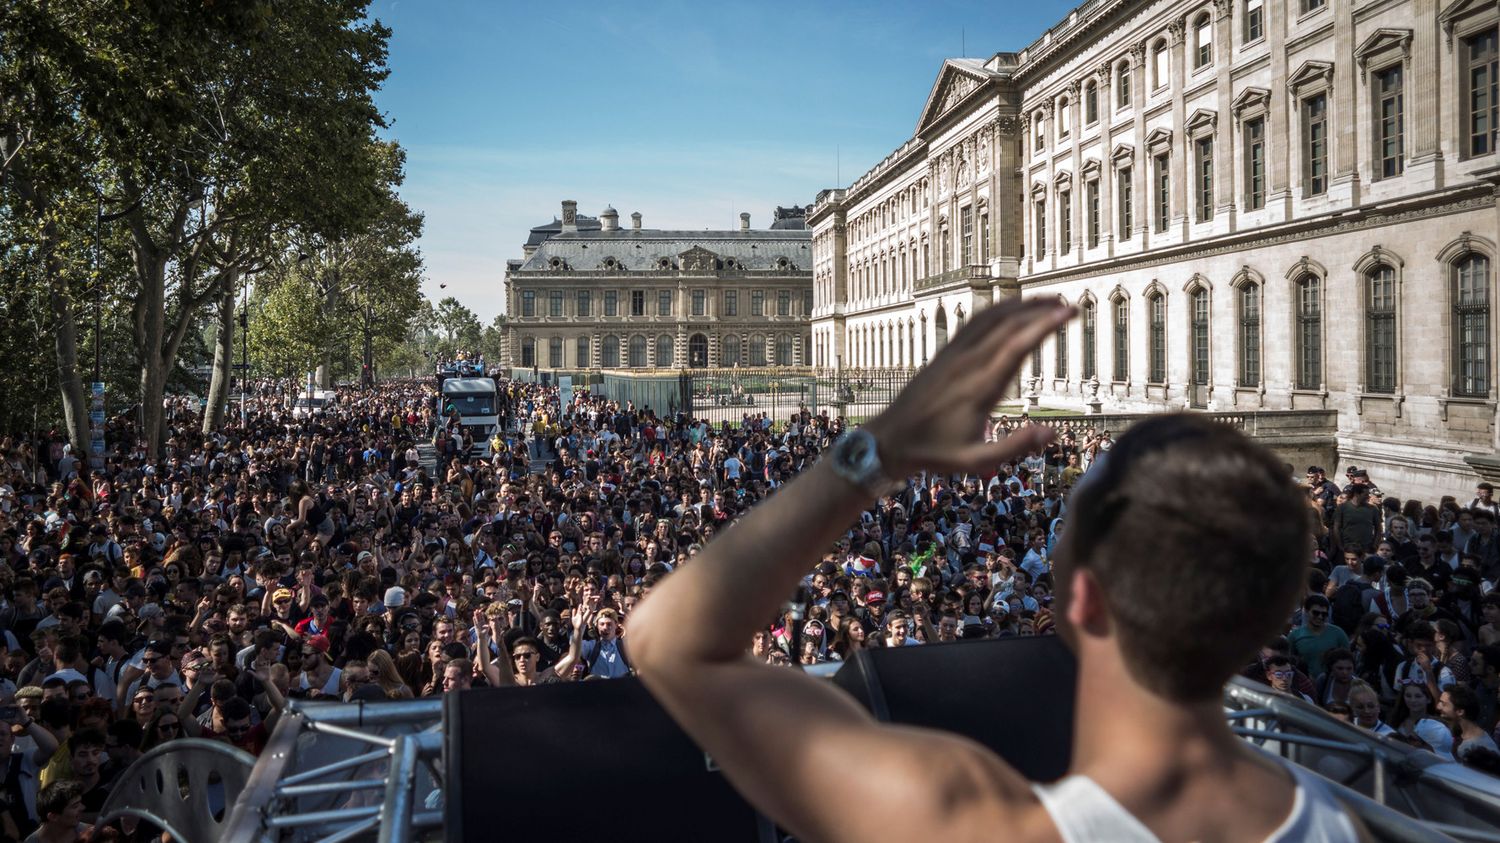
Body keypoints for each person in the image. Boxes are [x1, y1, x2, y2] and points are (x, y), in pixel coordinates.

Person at [627, 298, 1359, 843]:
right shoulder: (1341, 822)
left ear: (1083, 597)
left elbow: (670, 640)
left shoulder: (968, 818)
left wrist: (878, 449)